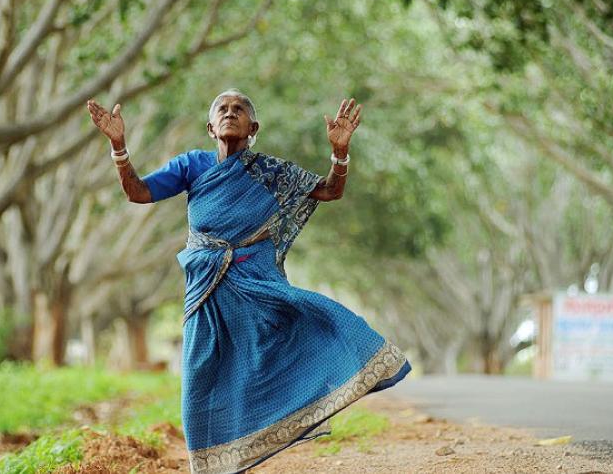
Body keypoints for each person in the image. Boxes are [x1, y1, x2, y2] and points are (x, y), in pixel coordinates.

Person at [86, 89, 411, 474]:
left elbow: (329, 190)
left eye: (239, 109)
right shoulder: (192, 165)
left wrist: (340, 153)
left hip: (257, 285)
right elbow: (139, 192)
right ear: (210, 128)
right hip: (205, 290)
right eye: (222, 109)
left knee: (309, 325)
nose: (230, 113)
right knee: (199, 381)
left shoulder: (270, 172)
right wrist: (119, 146)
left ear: (253, 128)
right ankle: (211, 465)